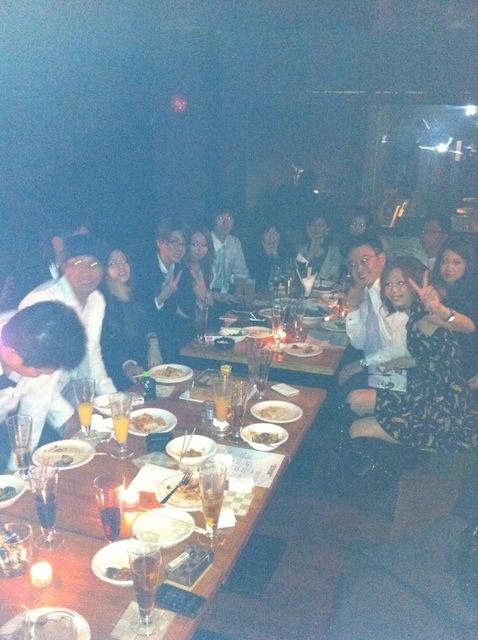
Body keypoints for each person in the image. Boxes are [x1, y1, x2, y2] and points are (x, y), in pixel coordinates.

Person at [347, 258, 478, 453]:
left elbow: (468, 327)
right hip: (423, 388)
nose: (393, 290)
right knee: (354, 398)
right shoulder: (413, 314)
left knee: (356, 427)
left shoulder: (426, 314)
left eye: (401, 283)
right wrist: (403, 361)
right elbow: (434, 354)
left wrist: (439, 309)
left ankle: (401, 463)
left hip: (441, 405)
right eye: (388, 284)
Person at [19, 234, 116, 397]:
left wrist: (111, 397)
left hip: (69, 390)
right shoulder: (43, 300)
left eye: (94, 264)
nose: (86, 271)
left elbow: (91, 354)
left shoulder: (96, 300)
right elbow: (35, 374)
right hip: (28, 395)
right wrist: (68, 413)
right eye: (77, 263)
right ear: (64, 267)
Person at [0, 301, 86, 469]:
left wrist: (18, 472)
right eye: (38, 372)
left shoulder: (35, 343)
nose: (44, 376)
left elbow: (32, 418)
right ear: (11, 355)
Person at [338, 235, 409, 391]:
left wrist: (361, 364)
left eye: (364, 260)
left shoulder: (394, 293)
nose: (358, 269)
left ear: (381, 259)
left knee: (345, 388)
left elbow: (399, 350)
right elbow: (359, 342)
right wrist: (354, 308)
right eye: (352, 264)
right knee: (337, 377)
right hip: (375, 365)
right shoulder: (366, 292)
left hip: (400, 373)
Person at [101, 247, 162, 390]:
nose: (121, 266)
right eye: (113, 263)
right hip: (114, 378)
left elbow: (149, 323)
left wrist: (153, 343)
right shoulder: (100, 301)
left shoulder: (137, 292)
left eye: (124, 261)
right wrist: (126, 363)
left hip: (142, 371)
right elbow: (106, 344)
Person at [136, 218, 194, 362]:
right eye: (174, 242)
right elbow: (140, 312)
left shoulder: (183, 271)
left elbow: (187, 312)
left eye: (183, 244)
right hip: (148, 338)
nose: (179, 249)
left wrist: (201, 297)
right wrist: (162, 297)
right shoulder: (143, 269)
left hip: (177, 339)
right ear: (160, 242)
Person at [430, 235, 478, 382]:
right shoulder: (432, 291)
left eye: (457, 262)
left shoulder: (473, 293)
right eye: (444, 261)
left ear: (468, 265)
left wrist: (440, 310)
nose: (449, 268)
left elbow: (469, 327)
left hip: (469, 369)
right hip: (439, 367)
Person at [209, 207, 249, 301]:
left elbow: (241, 274)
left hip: (227, 296)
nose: (225, 223)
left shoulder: (234, 242)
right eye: (220, 218)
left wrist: (238, 293)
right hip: (206, 296)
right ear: (213, 220)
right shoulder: (204, 242)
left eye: (229, 218)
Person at [296, 206, 342, 283]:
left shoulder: (334, 251)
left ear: (327, 229)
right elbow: (299, 271)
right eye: (313, 224)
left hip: (325, 289)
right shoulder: (301, 249)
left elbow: (335, 276)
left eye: (320, 225)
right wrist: (313, 243)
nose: (315, 228)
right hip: (302, 287)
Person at [247, 220, 294, 292]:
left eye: (275, 233)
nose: (271, 237)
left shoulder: (287, 251)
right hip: (260, 293)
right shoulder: (253, 253)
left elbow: (286, 276)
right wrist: (268, 255)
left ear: (280, 236)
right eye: (267, 233)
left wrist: (275, 255)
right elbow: (260, 280)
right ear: (262, 235)